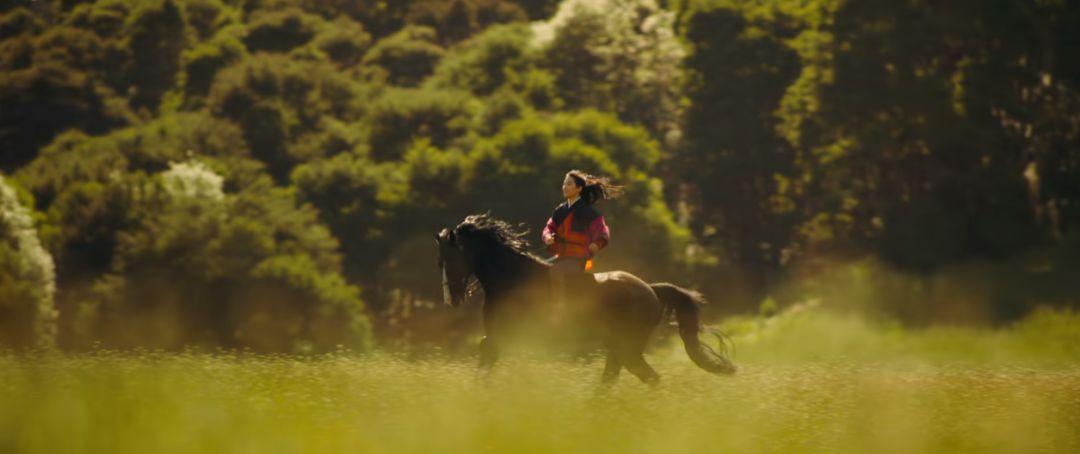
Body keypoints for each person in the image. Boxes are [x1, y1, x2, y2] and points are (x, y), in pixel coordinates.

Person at [541, 170, 622, 322]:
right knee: (539, 269)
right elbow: (549, 227)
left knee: (555, 271)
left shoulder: (588, 212)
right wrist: (547, 237)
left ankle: (559, 310)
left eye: (569, 184)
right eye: (564, 183)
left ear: (579, 188)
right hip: (562, 256)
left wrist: (596, 244)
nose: (565, 187)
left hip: (579, 259)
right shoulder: (560, 210)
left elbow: (603, 232)